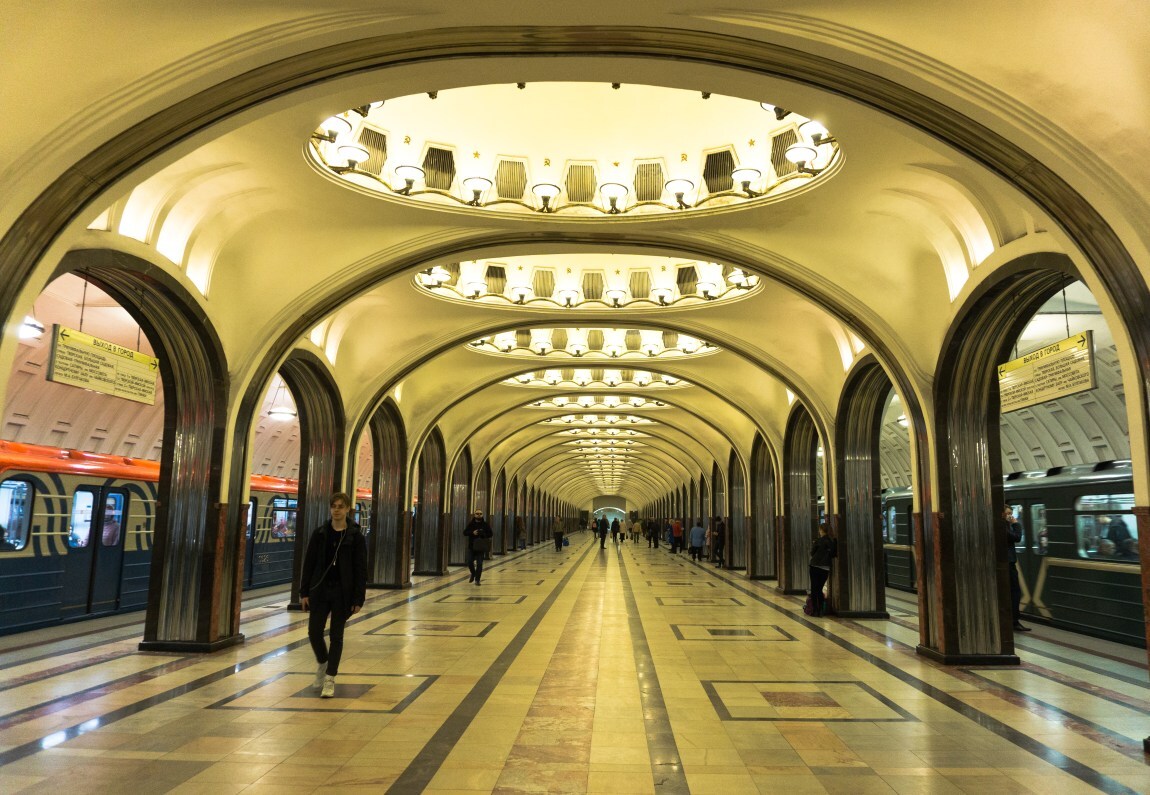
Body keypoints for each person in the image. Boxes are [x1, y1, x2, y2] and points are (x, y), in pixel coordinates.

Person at [300, 492, 368, 698]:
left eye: (341, 506)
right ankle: (323, 662)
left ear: (348, 509)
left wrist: (358, 599)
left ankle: (330, 678)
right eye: (333, 506)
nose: (336, 510)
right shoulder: (320, 534)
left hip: (342, 592)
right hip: (320, 590)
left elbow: (360, 569)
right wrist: (304, 592)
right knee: (314, 632)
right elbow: (309, 564)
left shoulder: (356, 537)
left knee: (336, 636)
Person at [1003, 505, 1030, 632]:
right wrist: (1016, 524)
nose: (1011, 516)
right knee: (1014, 592)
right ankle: (1014, 621)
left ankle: (1014, 620)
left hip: (1009, 563)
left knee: (1014, 592)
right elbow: (1017, 537)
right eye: (1008, 513)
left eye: (1011, 513)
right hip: (1007, 564)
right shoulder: (1003, 526)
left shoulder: (1006, 525)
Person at [808, 523, 836, 617]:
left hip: (815, 566)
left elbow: (812, 553)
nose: (819, 532)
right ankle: (821, 610)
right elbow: (833, 554)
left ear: (822, 530)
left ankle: (814, 610)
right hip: (825, 568)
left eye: (820, 530)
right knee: (819, 589)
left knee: (814, 588)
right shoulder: (832, 542)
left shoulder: (818, 541)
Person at [464, 509, 493, 584]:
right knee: (470, 562)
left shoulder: (485, 524)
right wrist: (472, 532)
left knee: (479, 564)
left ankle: (477, 579)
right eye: (477, 514)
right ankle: (473, 573)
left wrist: (483, 534)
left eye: (480, 513)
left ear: (482, 515)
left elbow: (491, 534)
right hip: (472, 547)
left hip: (481, 547)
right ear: (474, 515)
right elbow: (465, 532)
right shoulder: (471, 524)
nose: (479, 515)